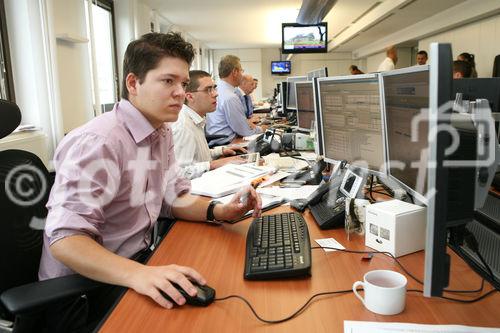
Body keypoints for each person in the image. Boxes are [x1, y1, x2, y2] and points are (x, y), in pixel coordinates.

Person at [39, 32, 261, 320]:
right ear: (133, 83)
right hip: (83, 291)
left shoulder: (160, 130)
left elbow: (172, 197)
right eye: (168, 81)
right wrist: (139, 275)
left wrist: (219, 211)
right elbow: (66, 239)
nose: (181, 93)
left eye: (182, 83)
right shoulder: (99, 142)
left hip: (133, 266)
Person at [171, 70, 247, 179]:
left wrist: (219, 151)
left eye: (214, 88)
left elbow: (197, 157)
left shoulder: (194, 119)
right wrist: (213, 164)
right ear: (190, 97)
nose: (216, 94)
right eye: (208, 90)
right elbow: (180, 173)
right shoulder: (183, 126)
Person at [206, 55, 266, 146]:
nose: (242, 75)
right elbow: (244, 130)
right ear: (235, 72)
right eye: (241, 71)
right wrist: (262, 129)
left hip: (220, 141)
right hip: (226, 143)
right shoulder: (230, 96)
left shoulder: (219, 89)